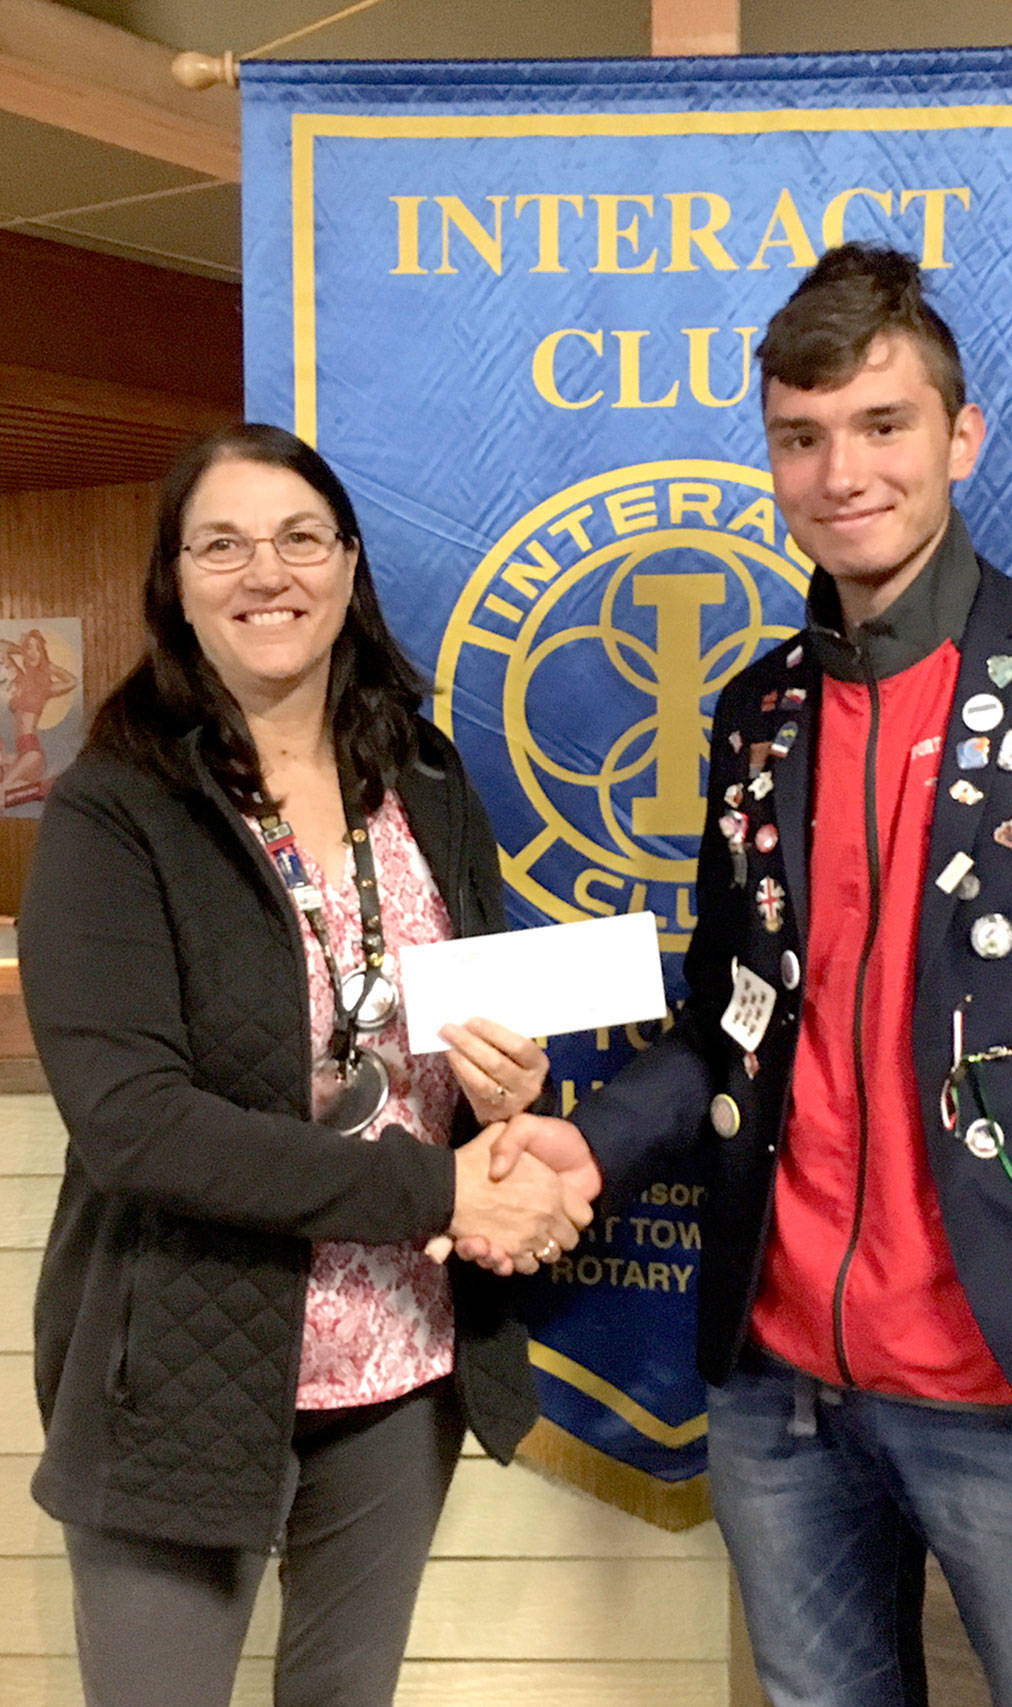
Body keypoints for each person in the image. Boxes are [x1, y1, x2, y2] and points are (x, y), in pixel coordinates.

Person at [480, 244, 1012, 1706]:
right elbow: (730, 1025)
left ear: (960, 437)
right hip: (780, 1383)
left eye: (882, 424)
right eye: (802, 436)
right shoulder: (759, 709)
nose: (841, 471)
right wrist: (584, 1143)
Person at [18, 422, 591, 1707]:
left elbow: (458, 1018)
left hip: (396, 1366)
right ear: (172, 580)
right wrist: (446, 1195)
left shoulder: (425, 779)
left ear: (346, 565)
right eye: (219, 544)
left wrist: (505, 1090)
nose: (262, 572)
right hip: (178, 1361)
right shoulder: (115, 810)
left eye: (297, 539)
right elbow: (136, 1127)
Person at [1, 626, 77, 802]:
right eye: (30, 647)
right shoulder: (19, 679)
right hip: (21, 755)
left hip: (32, 754)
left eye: (38, 648)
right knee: (10, 791)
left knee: (3, 789)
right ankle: (45, 787)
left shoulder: (45, 688)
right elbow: (1, 647)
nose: (33, 652)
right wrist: (23, 650)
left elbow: (72, 681)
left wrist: (49, 667)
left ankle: (43, 787)